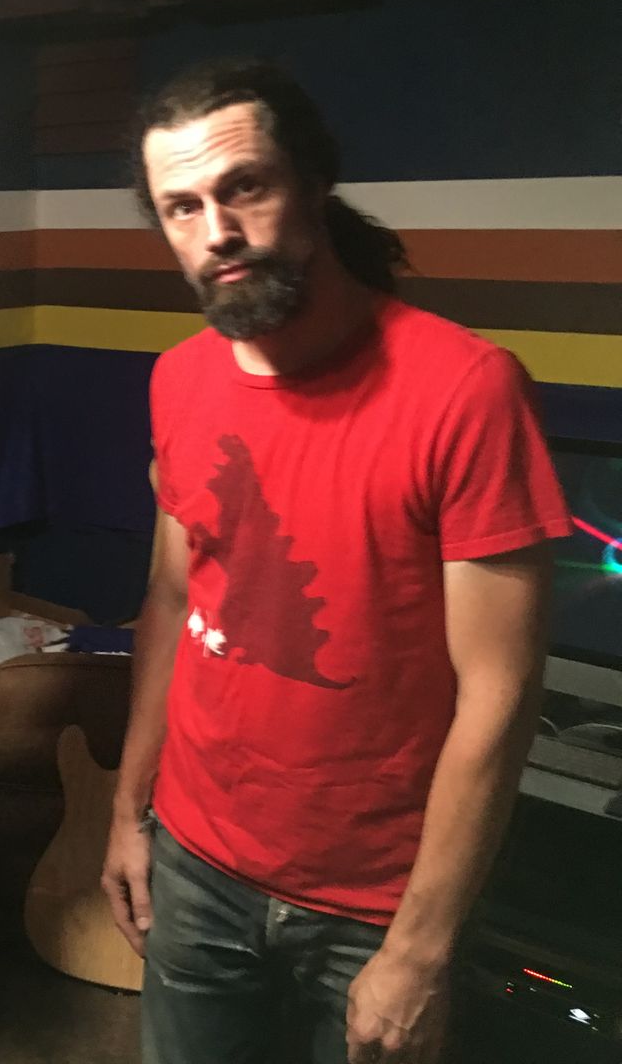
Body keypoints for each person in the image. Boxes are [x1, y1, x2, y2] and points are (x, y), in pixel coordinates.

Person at [97, 59, 572, 1064]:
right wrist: (129, 811)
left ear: (313, 185)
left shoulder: (465, 390)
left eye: (244, 188)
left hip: (370, 909)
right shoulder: (178, 381)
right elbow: (172, 599)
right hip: (194, 865)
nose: (216, 230)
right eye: (182, 207)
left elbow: (501, 690)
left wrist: (420, 949)